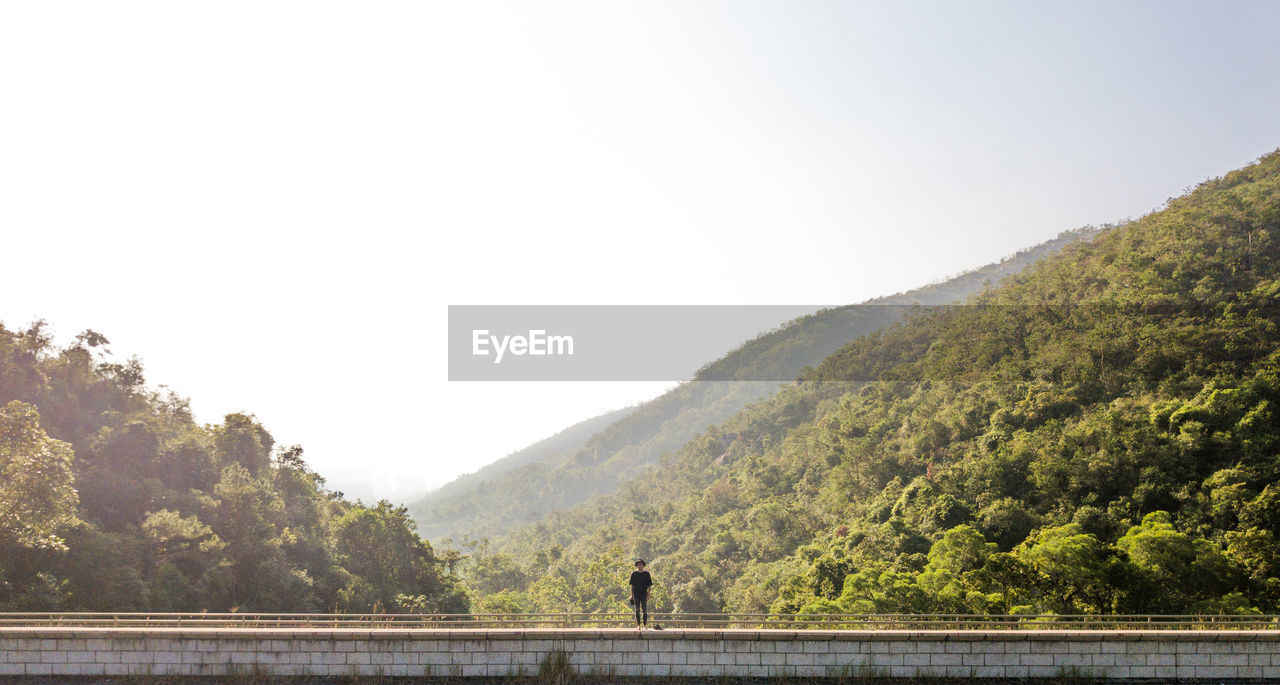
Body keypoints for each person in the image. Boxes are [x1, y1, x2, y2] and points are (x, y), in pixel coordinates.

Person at [628, 559, 652, 629]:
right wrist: (631, 595)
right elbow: (632, 585)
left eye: (641, 564)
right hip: (636, 594)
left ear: (643, 565)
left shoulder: (647, 574)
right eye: (638, 564)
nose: (640, 566)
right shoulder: (634, 574)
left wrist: (648, 594)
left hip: (644, 594)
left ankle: (645, 625)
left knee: (644, 610)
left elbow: (649, 585)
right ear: (636, 565)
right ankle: (638, 625)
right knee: (637, 609)